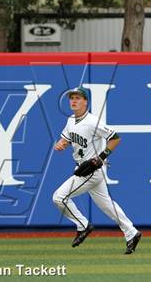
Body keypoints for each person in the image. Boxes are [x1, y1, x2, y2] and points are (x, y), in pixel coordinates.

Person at [53, 87, 142, 254]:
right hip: (83, 167)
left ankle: (83, 225)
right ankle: (132, 233)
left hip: (91, 171)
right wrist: (61, 144)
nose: (74, 100)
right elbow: (65, 138)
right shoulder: (71, 120)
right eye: (72, 98)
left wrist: (101, 157)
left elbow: (115, 138)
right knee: (108, 206)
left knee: (59, 197)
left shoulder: (93, 121)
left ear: (85, 102)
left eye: (78, 98)